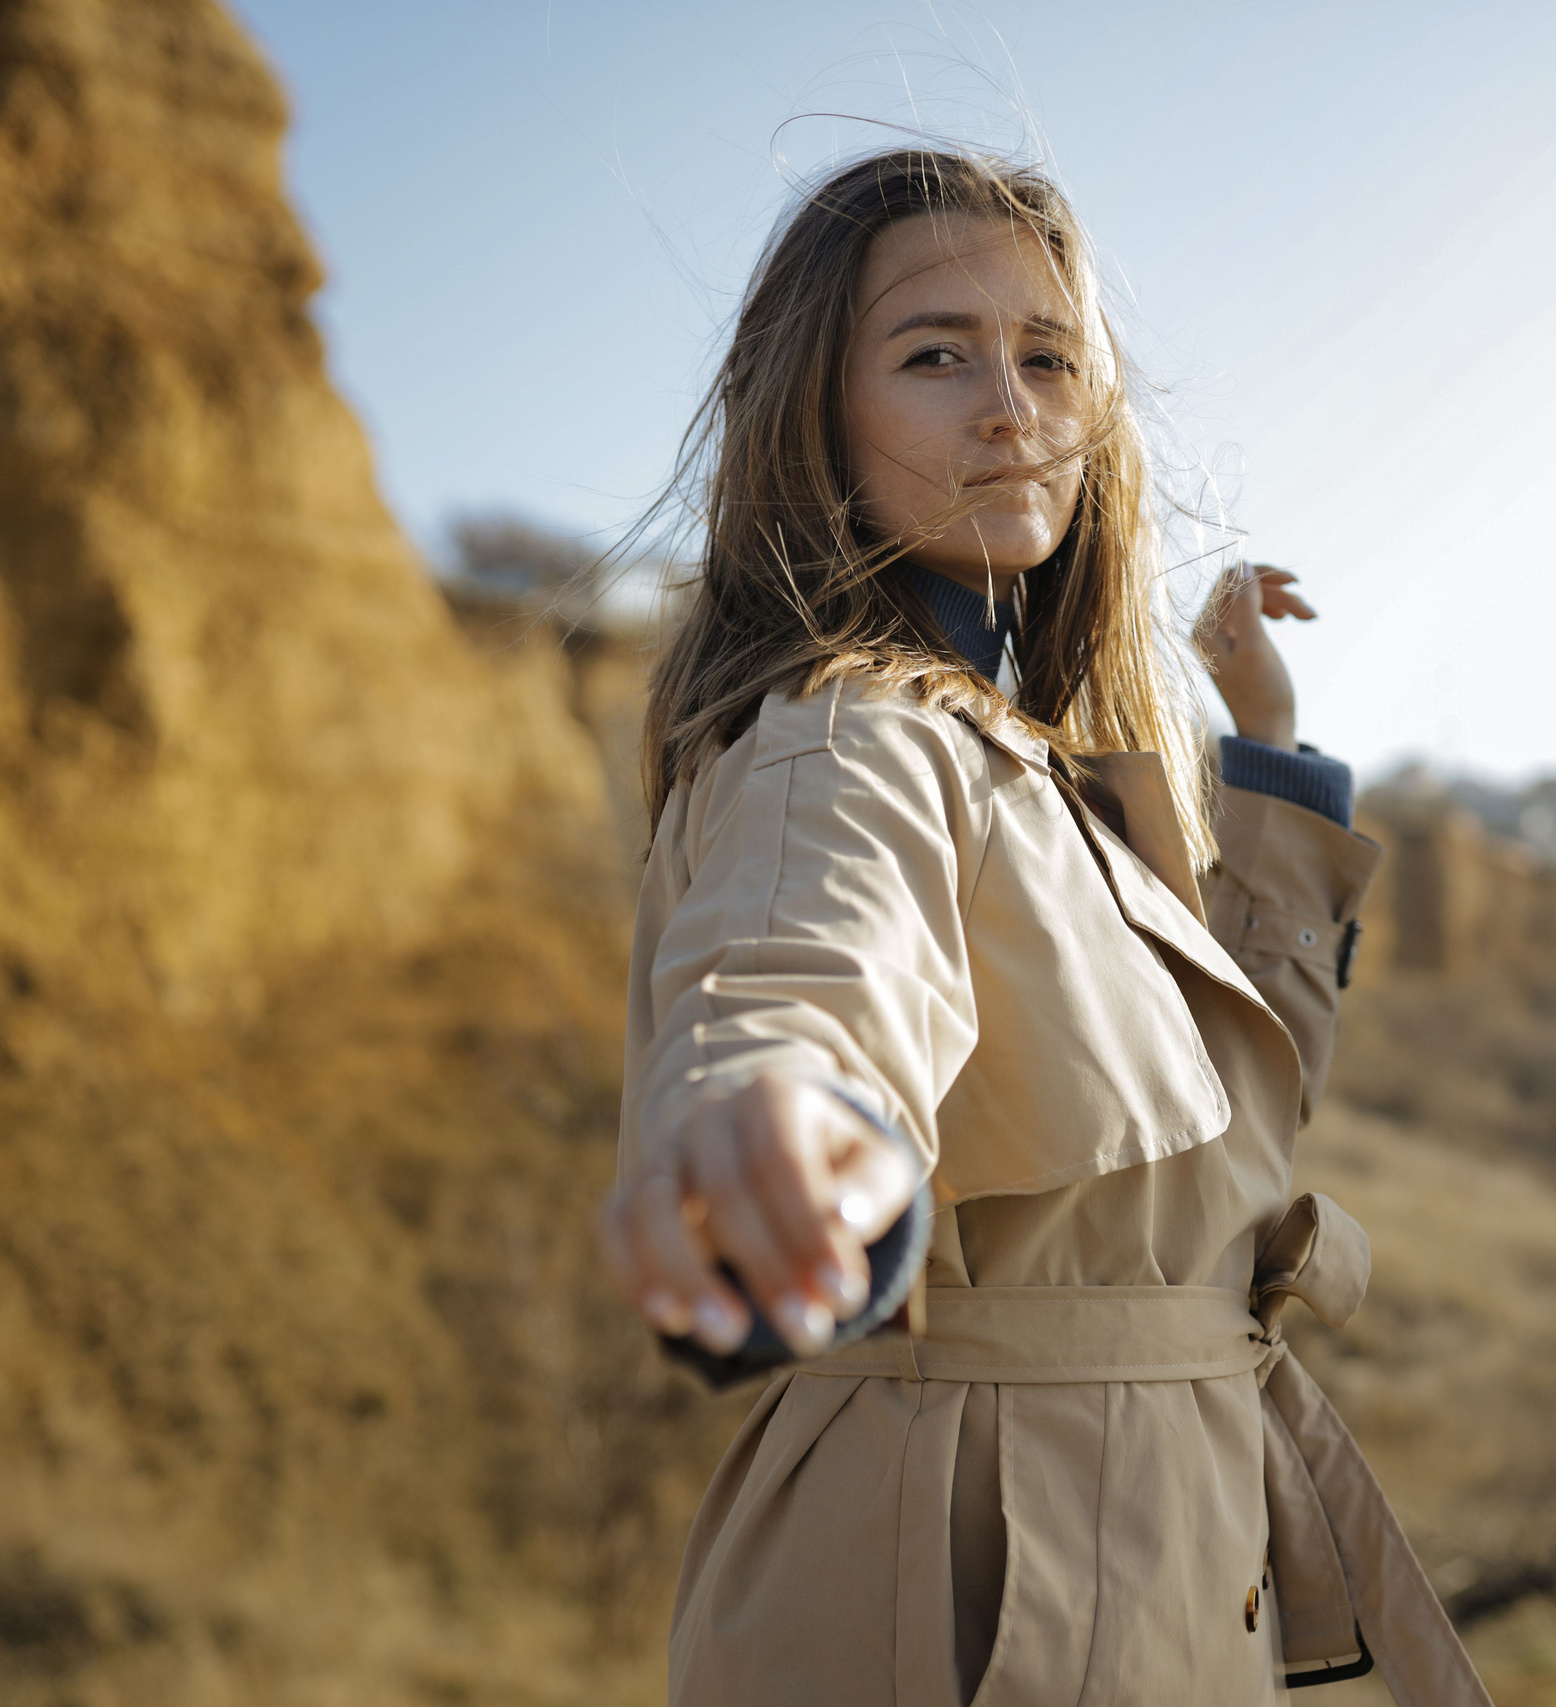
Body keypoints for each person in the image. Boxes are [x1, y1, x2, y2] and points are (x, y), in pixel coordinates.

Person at [590, 149, 1488, 1707]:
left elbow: (1230, 1126)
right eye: (935, 354)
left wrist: (1265, 754)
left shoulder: (1038, 766)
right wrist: (780, 1125)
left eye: (1049, 355)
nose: (1010, 405)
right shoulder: (848, 735)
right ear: (817, 413)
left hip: (1143, 1530)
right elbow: (804, 968)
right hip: (971, 1566)